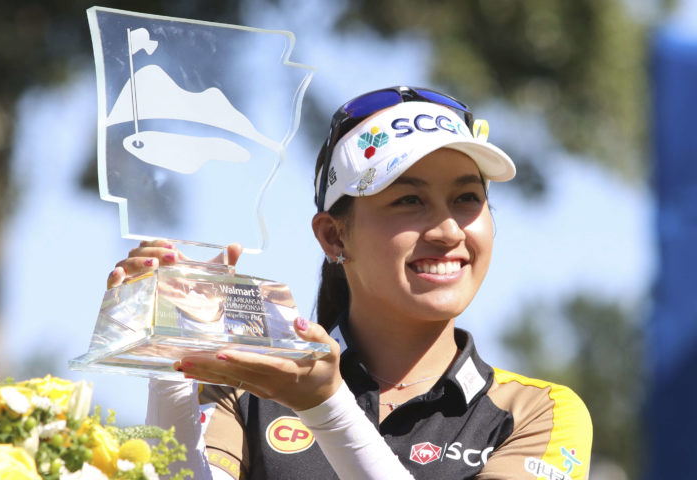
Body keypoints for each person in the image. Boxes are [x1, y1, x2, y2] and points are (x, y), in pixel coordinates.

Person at [108, 86, 593, 479]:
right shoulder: (250, 386)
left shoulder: (536, 411)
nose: (448, 230)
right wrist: (170, 355)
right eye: (409, 201)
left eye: (467, 197)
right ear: (333, 235)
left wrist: (325, 407)